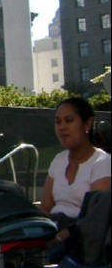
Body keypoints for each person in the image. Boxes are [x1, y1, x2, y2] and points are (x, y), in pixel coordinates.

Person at [40, 97, 110, 259]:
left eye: (69, 121)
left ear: (87, 124)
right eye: (58, 122)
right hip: (53, 227)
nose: (62, 127)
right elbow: (45, 208)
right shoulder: (58, 160)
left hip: (80, 238)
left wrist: (56, 239)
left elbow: (95, 219)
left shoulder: (103, 163)